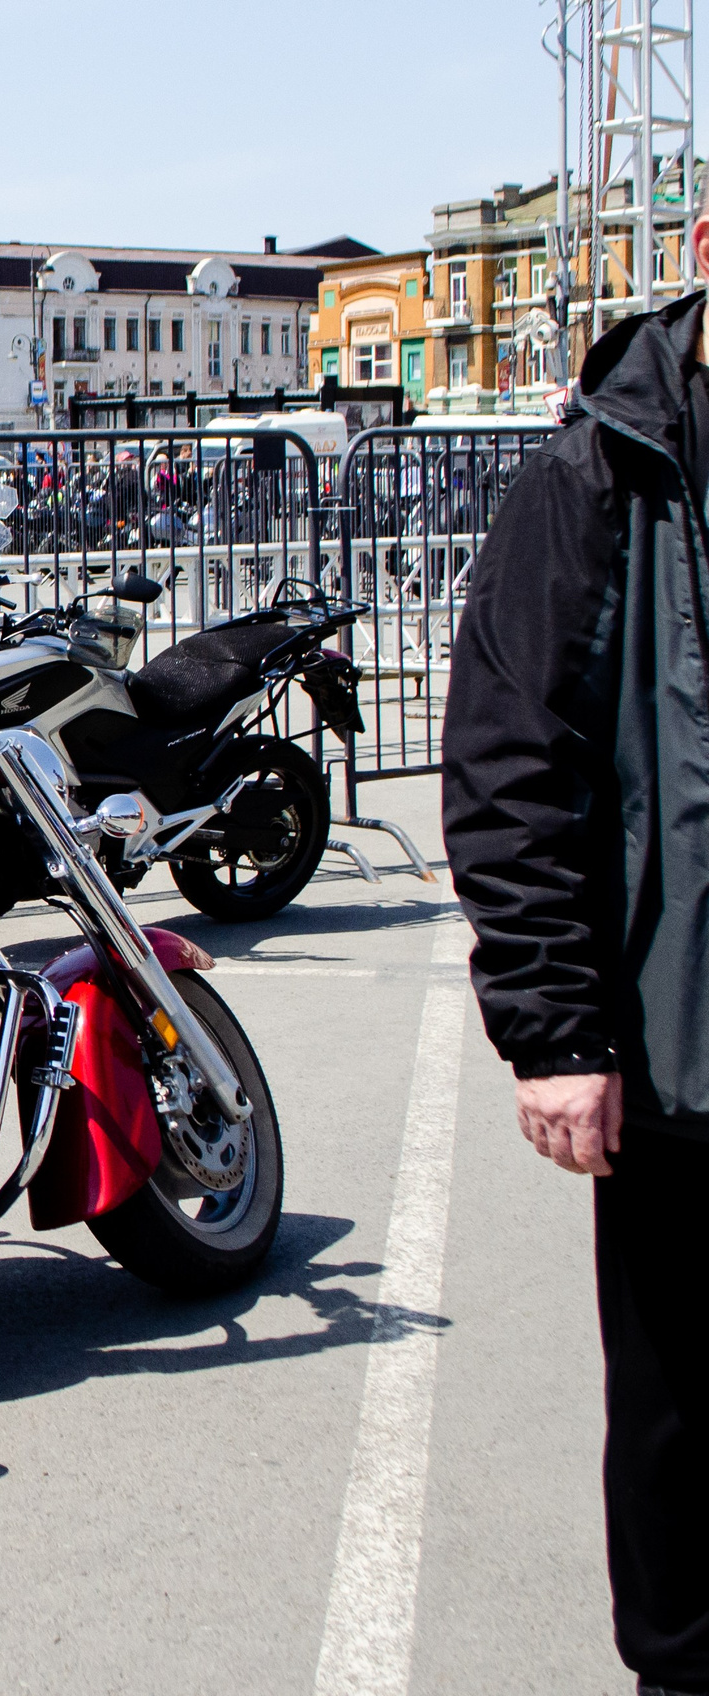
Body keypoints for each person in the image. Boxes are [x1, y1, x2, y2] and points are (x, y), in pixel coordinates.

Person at [443, 264, 709, 1696]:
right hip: (682, 1046)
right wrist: (555, 1030)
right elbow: (506, 758)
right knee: (680, 1418)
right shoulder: (601, 470)